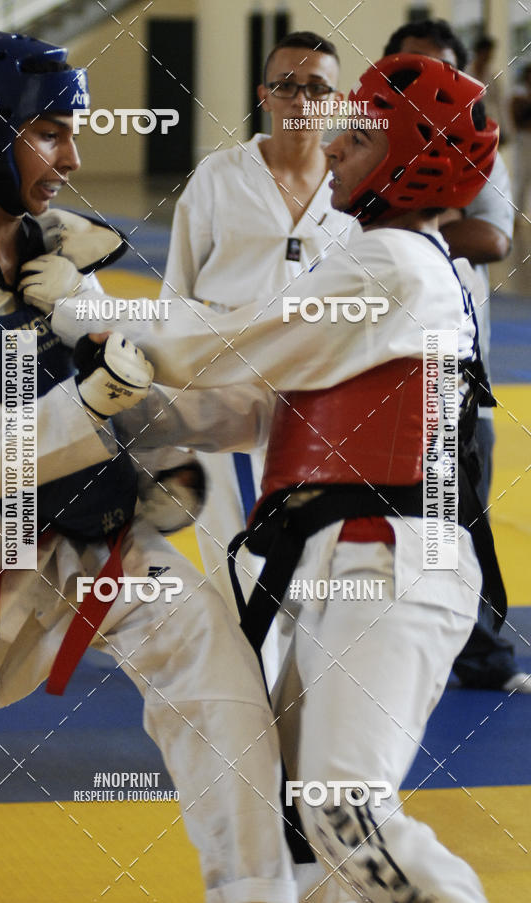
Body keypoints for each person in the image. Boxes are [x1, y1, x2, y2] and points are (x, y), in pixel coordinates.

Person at [51, 53, 500, 901]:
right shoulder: (379, 261)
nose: (332, 151)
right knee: (302, 823)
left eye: (359, 139)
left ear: (412, 161)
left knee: (343, 808)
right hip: (345, 559)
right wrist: (99, 409)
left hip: (391, 561)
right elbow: (249, 409)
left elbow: (222, 344)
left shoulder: (394, 267)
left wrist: (81, 304)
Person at [0, 30, 301, 903]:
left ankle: (258, 891)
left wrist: (270, 406)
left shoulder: (58, 255)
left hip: (98, 541)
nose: (73, 156)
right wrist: (93, 398)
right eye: (51, 132)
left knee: (220, 684)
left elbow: (139, 383)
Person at [161, 31, 355, 643]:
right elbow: (177, 294)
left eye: (316, 87)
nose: (301, 99)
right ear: (263, 95)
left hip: (322, 398)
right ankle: (241, 703)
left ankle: (298, 702)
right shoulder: (219, 177)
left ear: (337, 99)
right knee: (233, 548)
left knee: (314, 554)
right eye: (286, 86)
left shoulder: (352, 188)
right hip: (226, 390)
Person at [383, 18, 528, 694]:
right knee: (369, 517)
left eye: (441, 70)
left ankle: (479, 653)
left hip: (454, 365)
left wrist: (404, 224)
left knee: (457, 514)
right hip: (367, 361)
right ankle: (374, 646)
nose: (425, 84)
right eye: (410, 68)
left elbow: (494, 238)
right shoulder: (357, 141)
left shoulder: (480, 148)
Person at [510, 62, 531, 217]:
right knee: (521, 177)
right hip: (524, 139)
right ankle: (516, 215)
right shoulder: (519, 95)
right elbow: (517, 118)